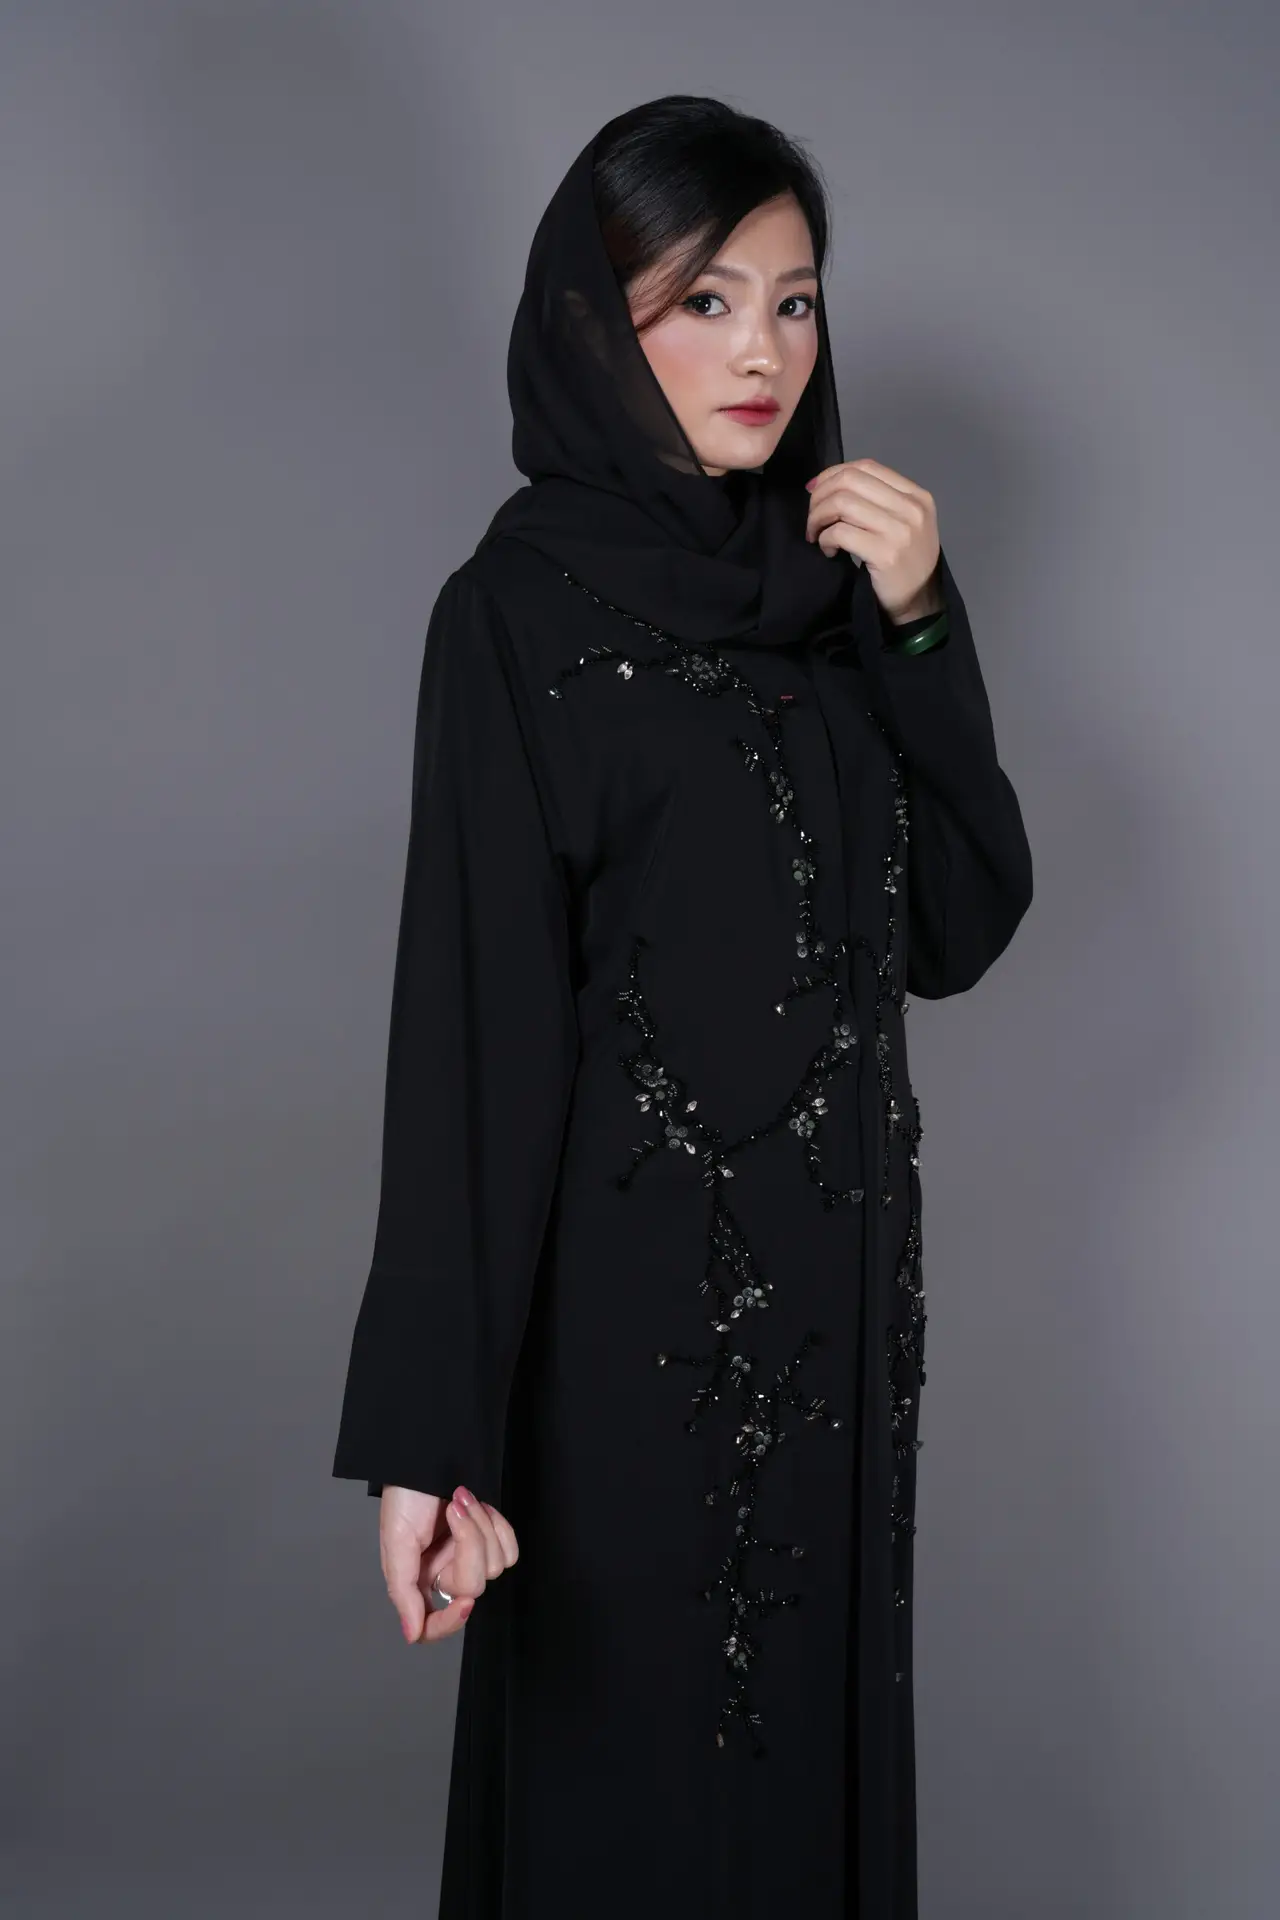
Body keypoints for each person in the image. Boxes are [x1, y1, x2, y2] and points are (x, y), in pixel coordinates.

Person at [332, 94, 1033, 1920]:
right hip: (622, 1352)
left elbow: (957, 924)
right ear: (598, 319)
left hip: (841, 1334)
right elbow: (473, 1037)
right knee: (629, 1801)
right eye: (704, 301)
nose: (762, 352)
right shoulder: (517, 615)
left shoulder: (836, 591)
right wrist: (431, 1443)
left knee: (805, 1804)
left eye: (794, 303)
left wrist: (923, 621)